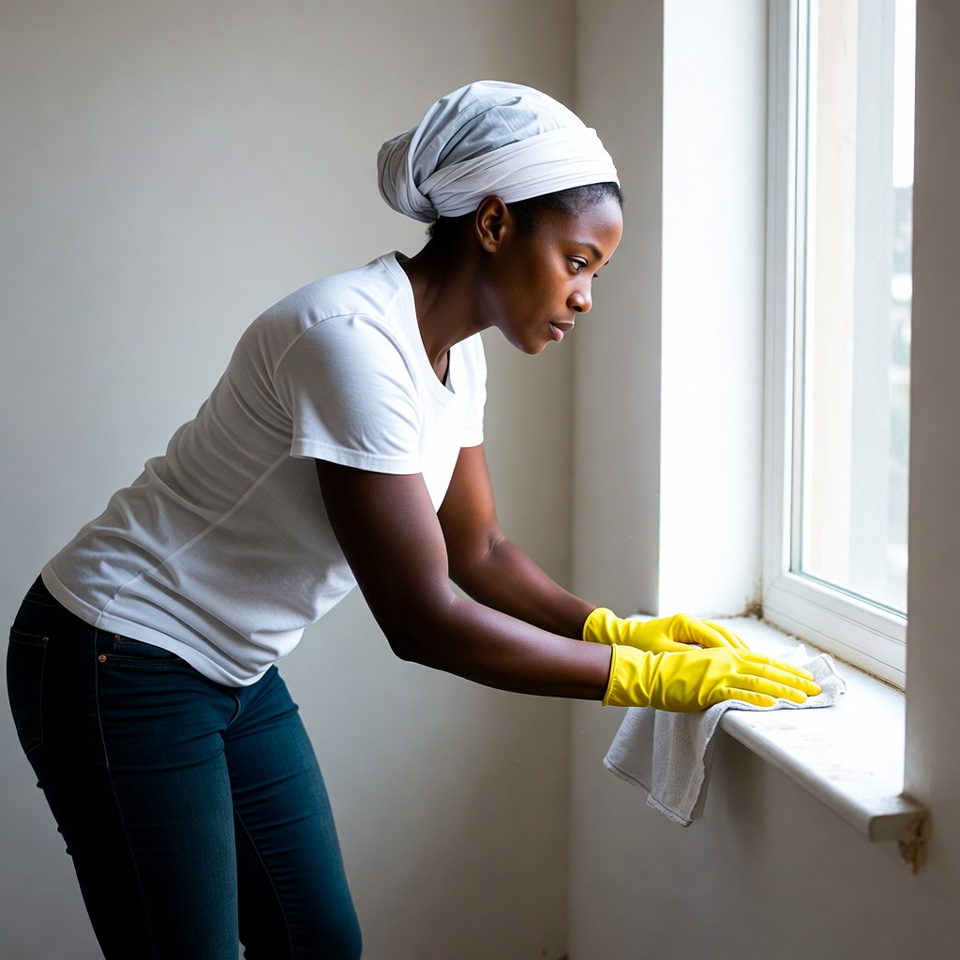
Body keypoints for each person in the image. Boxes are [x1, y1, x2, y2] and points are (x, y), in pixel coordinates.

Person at [6, 80, 819, 960]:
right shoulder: (348, 340)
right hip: (115, 652)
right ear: (497, 223)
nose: (586, 297)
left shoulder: (456, 357)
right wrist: (637, 677)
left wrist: (610, 627)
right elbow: (422, 618)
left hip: (233, 669)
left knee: (319, 942)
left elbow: (479, 548)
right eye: (578, 262)